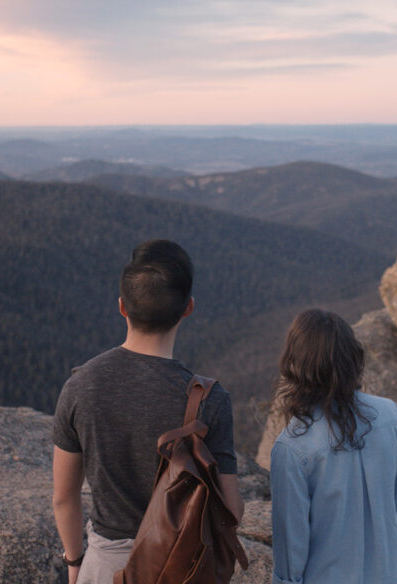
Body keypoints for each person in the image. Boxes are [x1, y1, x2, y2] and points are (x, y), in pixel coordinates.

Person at [52, 239, 244, 584]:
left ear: (122, 307)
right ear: (188, 308)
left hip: (104, 567)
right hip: (180, 568)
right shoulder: (210, 400)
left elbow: (64, 498)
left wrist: (75, 562)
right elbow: (231, 508)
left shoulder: (80, 386)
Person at [270, 309, 397, 584]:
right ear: (352, 359)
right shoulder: (389, 415)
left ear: (296, 365)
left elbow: (291, 555)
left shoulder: (292, 447)